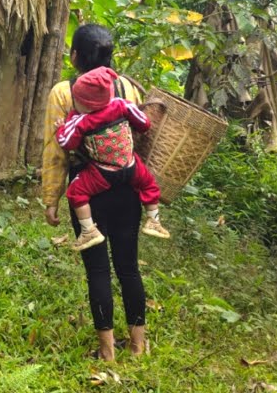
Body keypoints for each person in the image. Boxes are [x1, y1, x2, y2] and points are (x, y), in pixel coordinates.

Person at [41, 24, 151, 361]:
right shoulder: (128, 88)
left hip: (88, 190)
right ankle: (137, 346)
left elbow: (55, 150)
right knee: (129, 267)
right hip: (128, 184)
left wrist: (51, 198)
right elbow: (140, 135)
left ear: (74, 56)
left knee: (98, 270)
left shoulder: (64, 92)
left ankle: (107, 352)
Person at [57, 66, 171, 251]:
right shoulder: (122, 105)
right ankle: (153, 220)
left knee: (76, 192)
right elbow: (144, 124)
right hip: (131, 166)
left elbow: (66, 142)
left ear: (85, 103)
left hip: (102, 172)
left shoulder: (81, 120)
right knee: (149, 185)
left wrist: (62, 126)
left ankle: (88, 231)